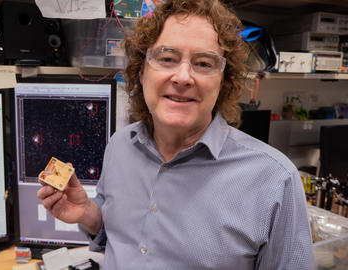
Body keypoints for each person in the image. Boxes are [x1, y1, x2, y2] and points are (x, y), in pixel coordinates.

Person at [37, 0, 314, 269]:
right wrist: (88, 214)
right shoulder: (120, 146)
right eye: (167, 58)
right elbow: (121, 241)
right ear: (141, 71)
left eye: (204, 63)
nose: (183, 77)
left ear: (223, 80)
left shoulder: (275, 181)